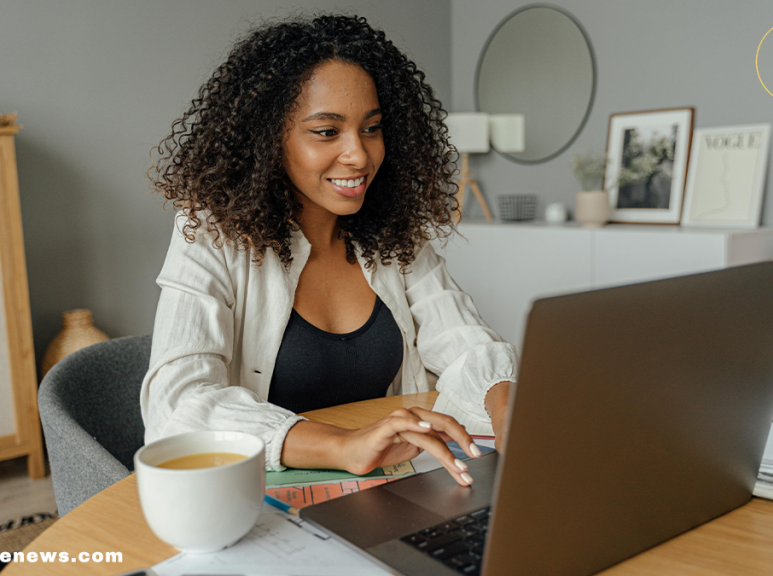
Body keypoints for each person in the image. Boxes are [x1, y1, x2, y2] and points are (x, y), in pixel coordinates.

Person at [141, 14, 518, 487]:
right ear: (269, 139)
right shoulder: (213, 232)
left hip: (389, 483)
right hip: (257, 495)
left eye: (372, 128)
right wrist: (343, 446)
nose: (359, 155)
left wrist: (511, 419)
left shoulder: (392, 233)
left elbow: (465, 341)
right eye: (326, 132)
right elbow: (177, 404)